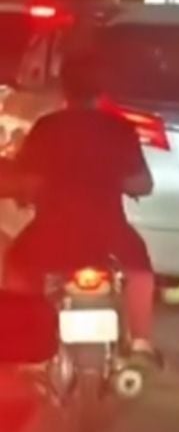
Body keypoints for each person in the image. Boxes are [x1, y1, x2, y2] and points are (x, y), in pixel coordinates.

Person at [0, 52, 159, 362]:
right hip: (109, 233)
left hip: (52, 232)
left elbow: (25, 180)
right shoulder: (120, 129)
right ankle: (141, 344)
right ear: (102, 91)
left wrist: (22, 189)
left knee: (18, 266)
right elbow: (144, 184)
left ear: (64, 89)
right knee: (140, 271)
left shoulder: (47, 128)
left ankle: (21, 339)